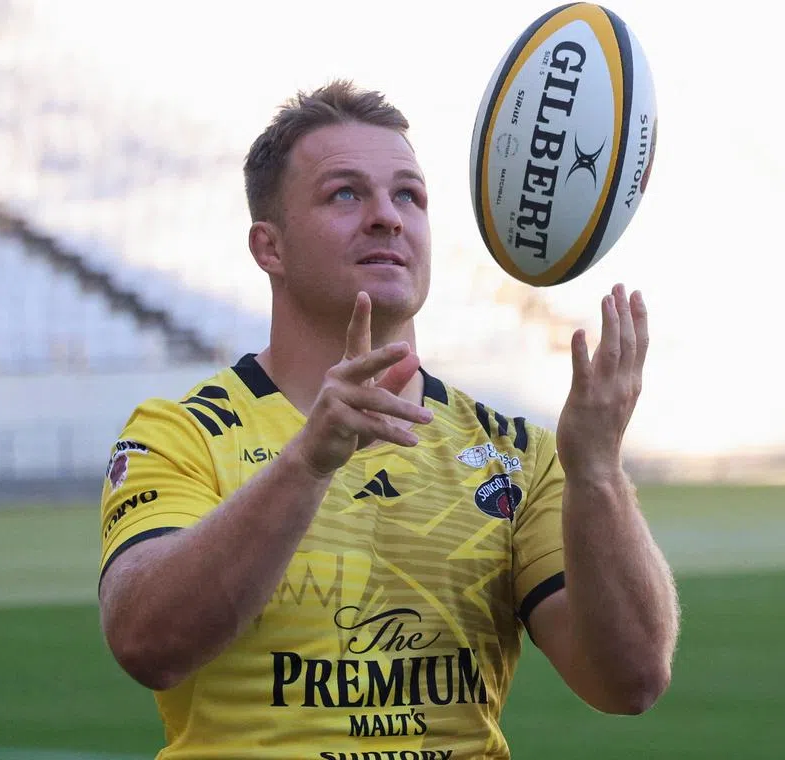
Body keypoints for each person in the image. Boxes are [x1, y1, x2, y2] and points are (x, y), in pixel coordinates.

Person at [98, 79, 679, 759]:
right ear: (269, 248)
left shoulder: (515, 454)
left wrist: (600, 475)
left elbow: (629, 682)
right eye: (345, 193)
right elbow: (147, 644)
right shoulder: (182, 432)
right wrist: (308, 461)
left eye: (410, 195)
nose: (387, 216)